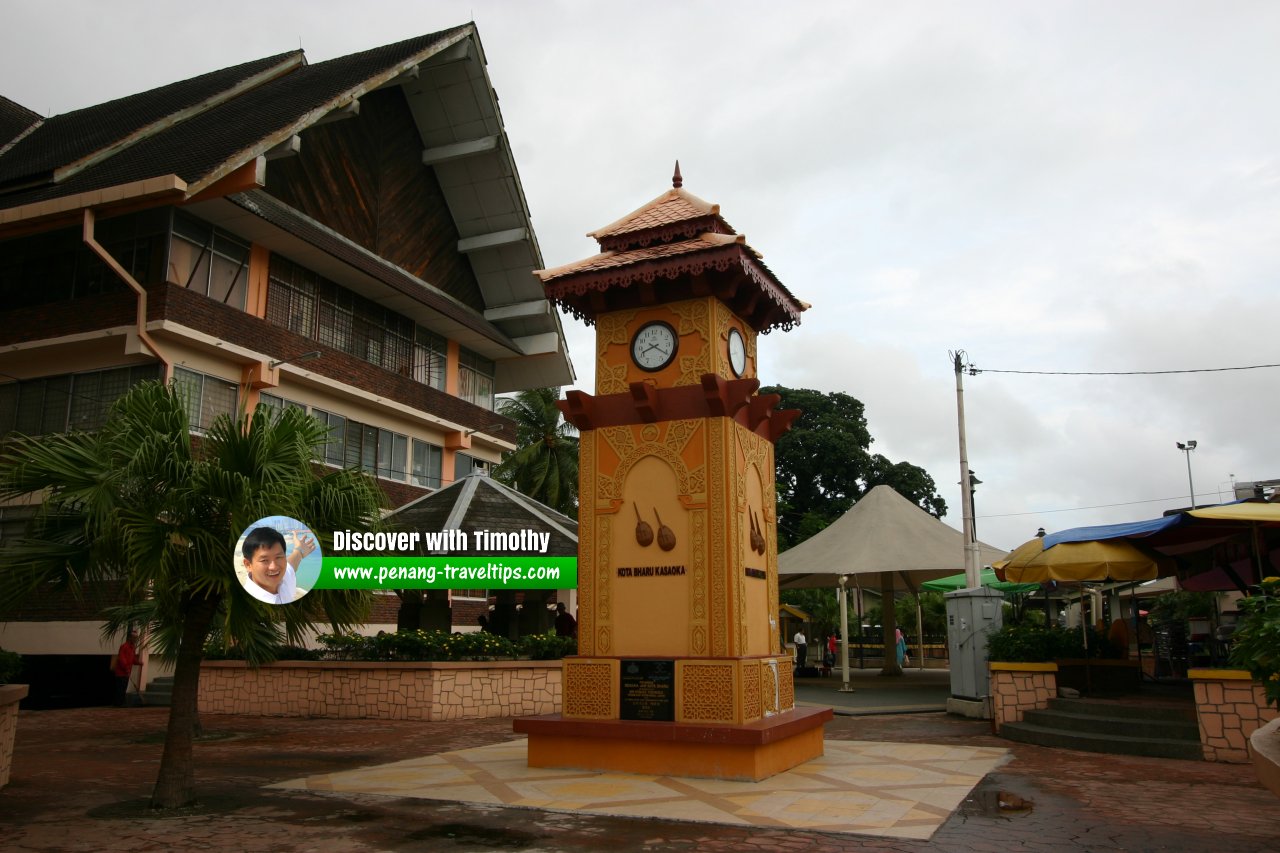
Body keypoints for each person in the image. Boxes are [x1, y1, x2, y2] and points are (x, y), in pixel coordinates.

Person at [241, 526, 315, 604]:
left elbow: (292, 563)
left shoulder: (284, 578)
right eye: (264, 560)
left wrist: (299, 550)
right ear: (248, 565)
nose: (274, 567)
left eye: (278, 557)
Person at [112, 630, 138, 706]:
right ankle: (118, 703)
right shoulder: (124, 646)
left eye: (136, 638)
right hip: (121, 673)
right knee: (120, 688)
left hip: (126, 672)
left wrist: (138, 663)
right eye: (134, 638)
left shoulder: (132, 647)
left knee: (123, 689)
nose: (135, 639)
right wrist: (126, 668)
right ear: (130, 638)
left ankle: (120, 703)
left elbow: (132, 659)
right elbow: (121, 659)